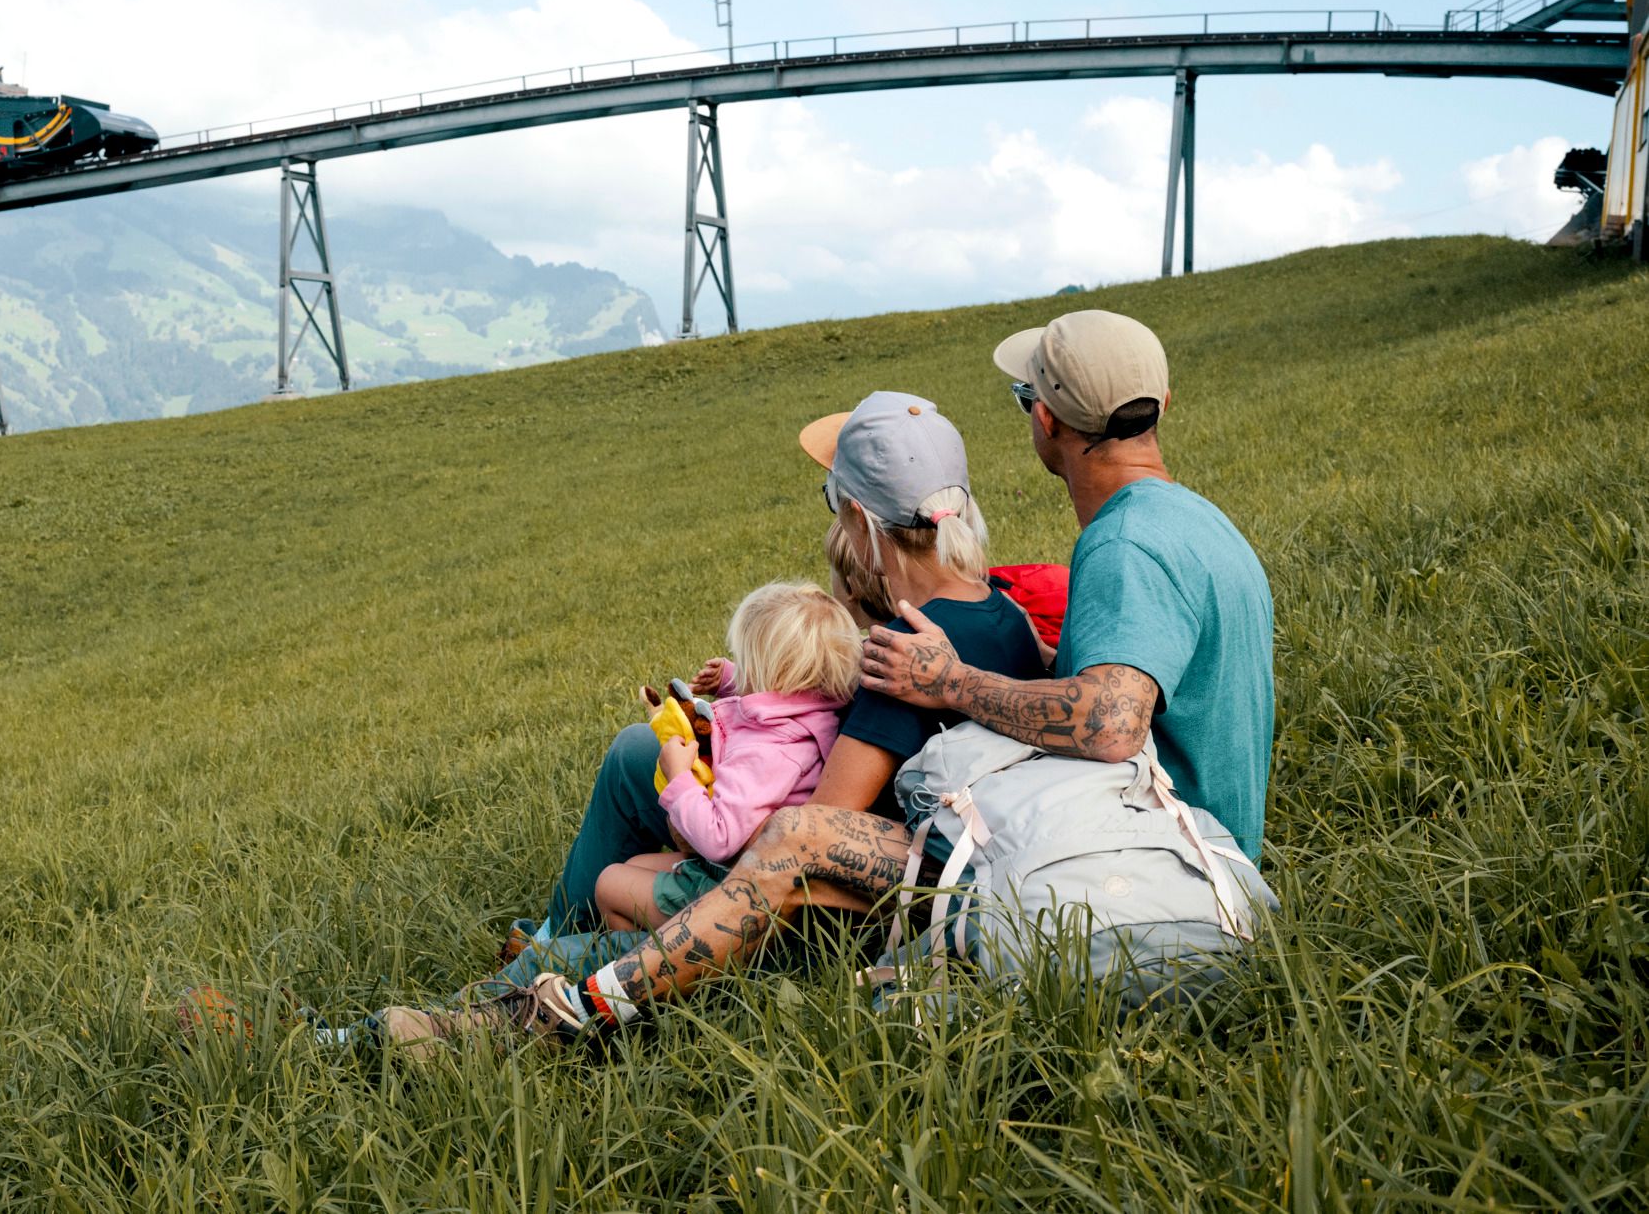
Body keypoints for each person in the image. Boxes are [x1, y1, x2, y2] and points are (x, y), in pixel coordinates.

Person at [470, 309, 1277, 1042]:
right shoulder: (1192, 522)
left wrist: (945, 681)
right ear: (1162, 401)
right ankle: (549, 978)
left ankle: (558, 996)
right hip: (1158, 847)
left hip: (1131, 862)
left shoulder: (1121, 547)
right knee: (646, 843)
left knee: (656, 821)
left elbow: (1109, 724)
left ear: (1044, 419)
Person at [383, 389, 1046, 1049]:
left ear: (855, 514)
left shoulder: (900, 659)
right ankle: (549, 947)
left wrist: (696, 783)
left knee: (632, 830)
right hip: (926, 867)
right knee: (634, 753)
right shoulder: (1003, 614)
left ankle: (477, 1007)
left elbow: (802, 843)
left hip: (830, 919)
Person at [594, 582, 862, 932]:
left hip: (734, 888)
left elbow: (719, 838)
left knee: (610, 883)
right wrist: (734, 680)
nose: (742, 664)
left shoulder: (769, 753)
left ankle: (658, 968)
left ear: (771, 671)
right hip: (750, 869)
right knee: (636, 863)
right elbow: (784, 697)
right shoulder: (813, 713)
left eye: (747, 660)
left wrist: (679, 779)